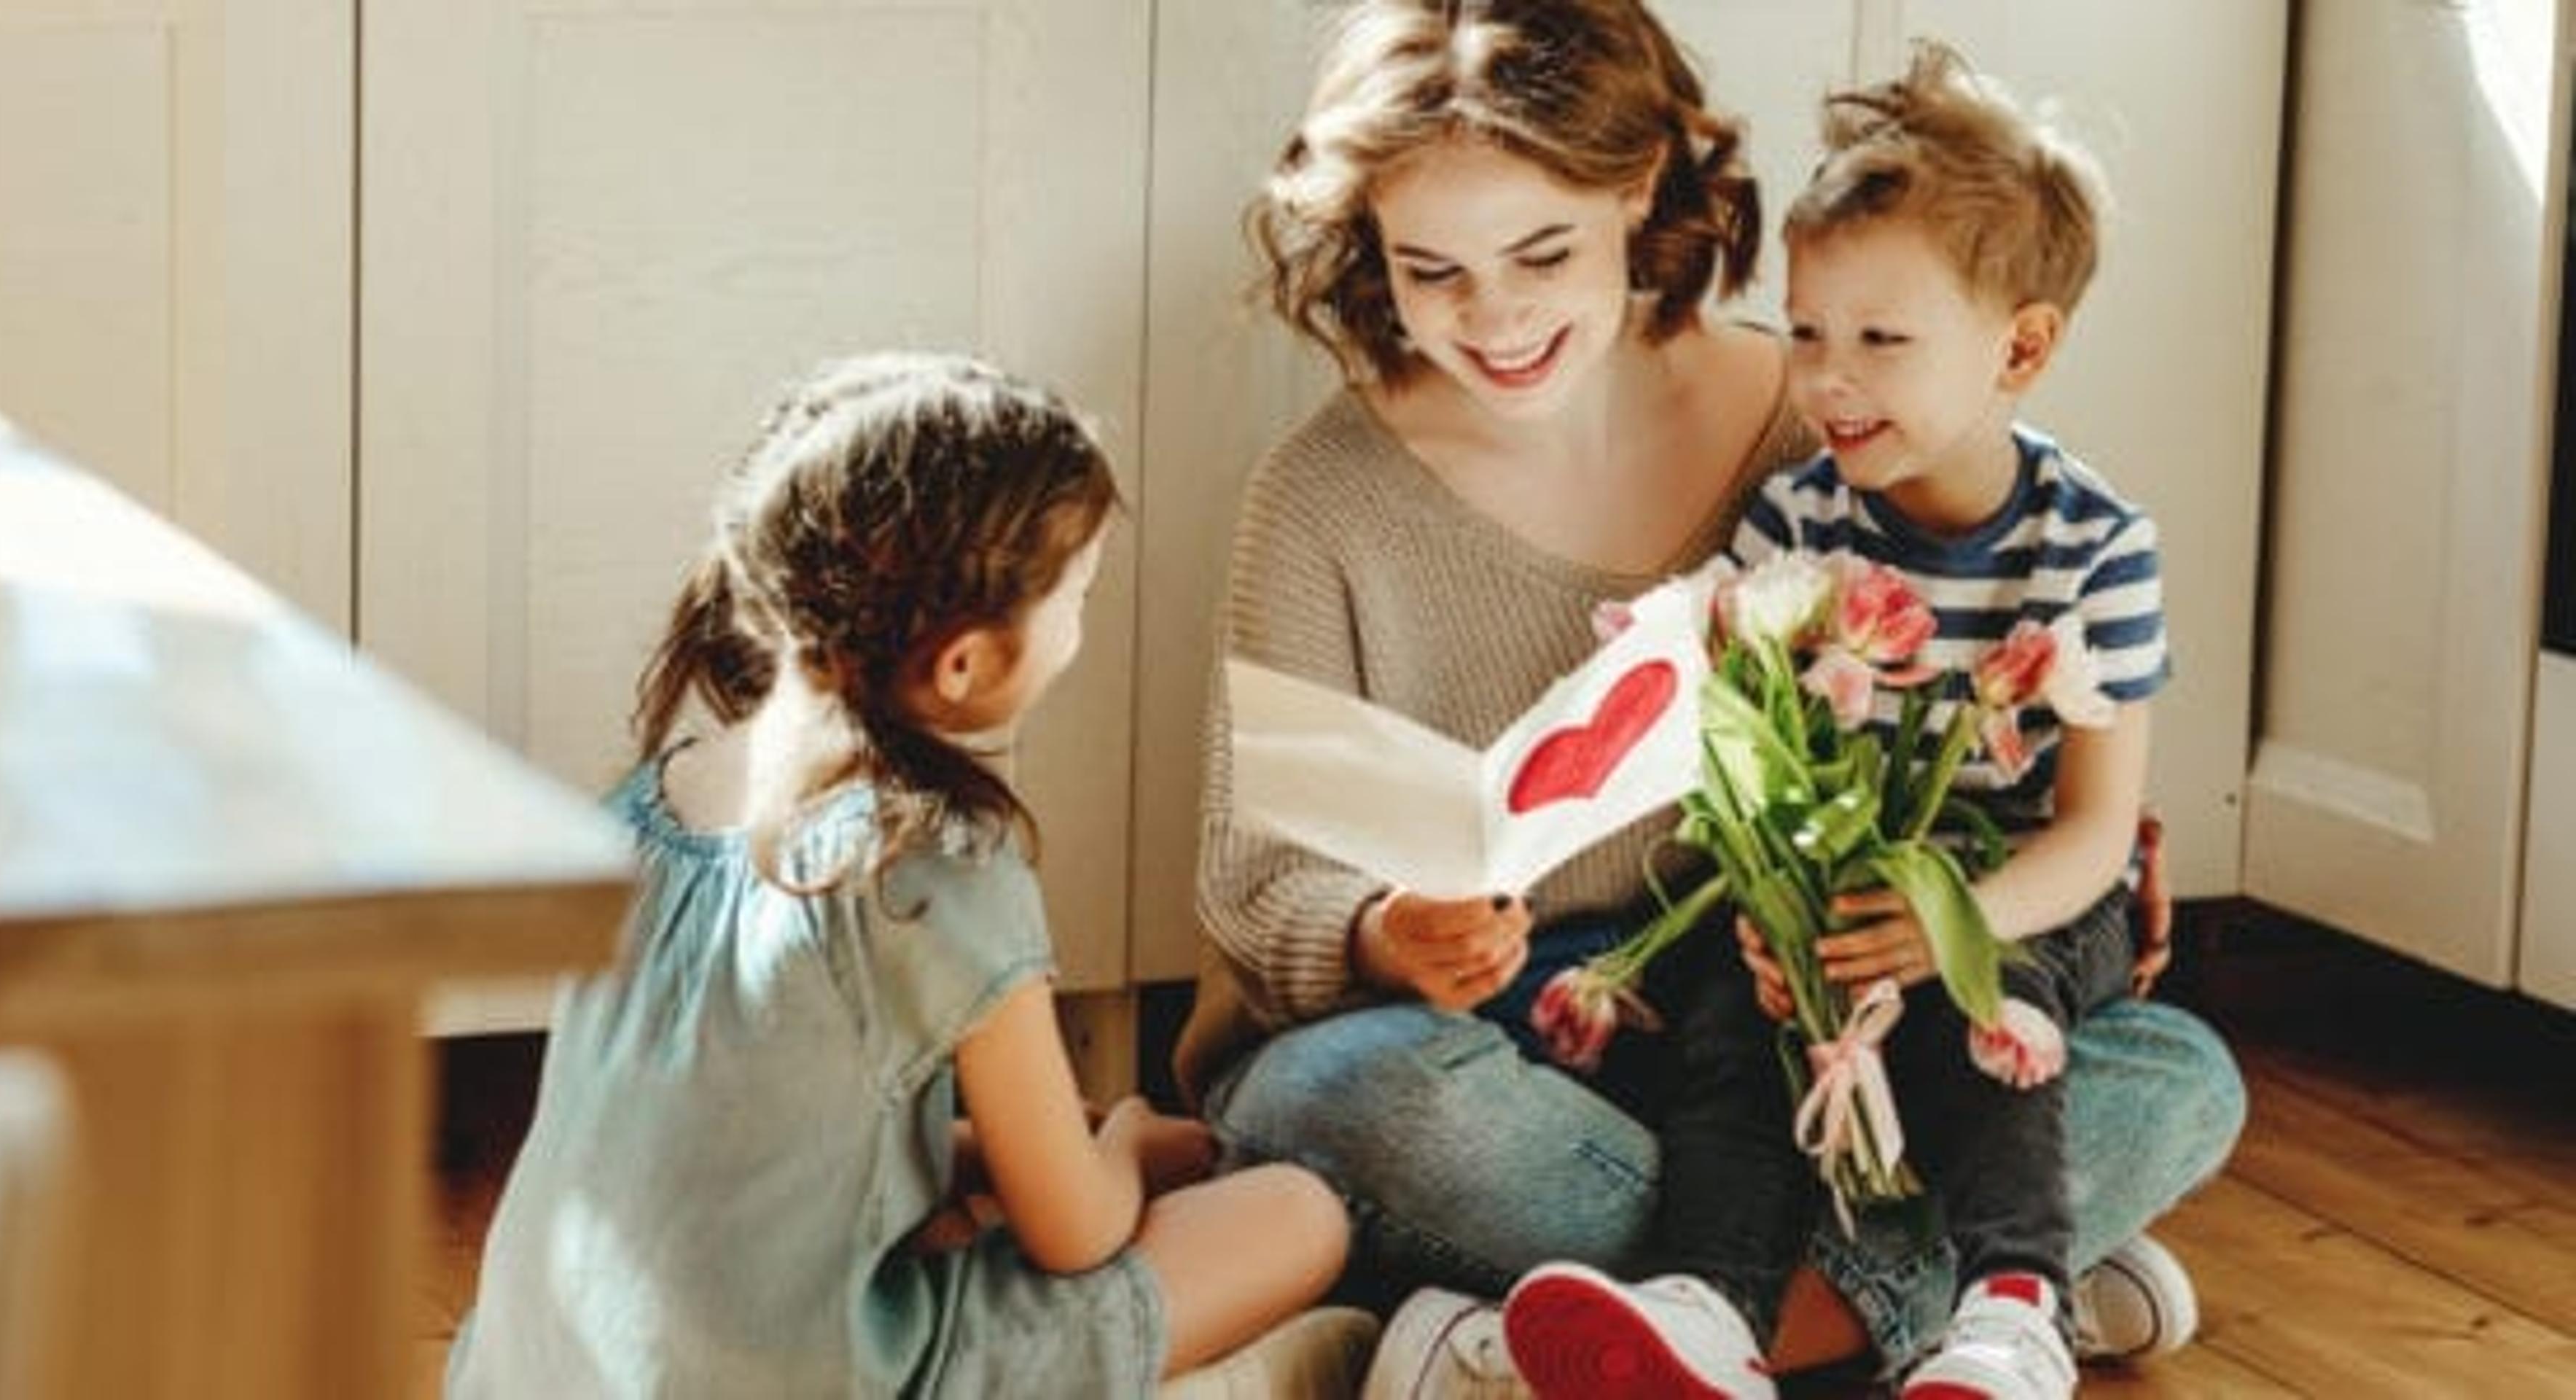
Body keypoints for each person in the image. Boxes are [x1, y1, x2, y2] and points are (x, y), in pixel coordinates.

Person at [1181, 2, 2247, 1393]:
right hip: (1508, 1059)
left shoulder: (1818, 413)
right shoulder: (1322, 496)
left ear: (1638, 190)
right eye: (1430, 270)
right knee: (1356, 1101)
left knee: (2181, 1074)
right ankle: (1936, 1303)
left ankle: (1634, 1339)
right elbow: (1259, 889)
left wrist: (2054, 847)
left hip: (1793, 1031)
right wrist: (1388, 938)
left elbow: (1990, 642)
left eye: (1543, 254)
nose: (1492, 321)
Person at [448, 352, 1349, 1398]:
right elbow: (1077, 1231)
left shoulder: (647, 804)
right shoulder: (931, 866)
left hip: (535, 1373)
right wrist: (1132, 1146)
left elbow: (743, 1132)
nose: (1079, 630)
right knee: (1298, 1216)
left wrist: (994, 1157)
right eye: (1080, 595)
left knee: (965, 1204)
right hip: (811, 1378)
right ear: (965, 662)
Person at [1501, 42, 2184, 1400]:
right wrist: (1780, 916)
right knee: (1731, 1023)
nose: (1828, 379)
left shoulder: (2095, 545)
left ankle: (2013, 1308)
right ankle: (1710, 1305)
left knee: (1984, 1016)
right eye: (1807, 332)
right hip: (1839, 865)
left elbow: (2097, 831)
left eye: (1882, 341)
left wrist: (1956, 928)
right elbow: (1751, 753)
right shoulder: (1801, 521)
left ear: (2022, 347)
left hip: (2019, 878)